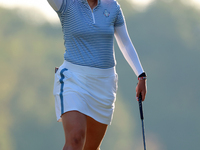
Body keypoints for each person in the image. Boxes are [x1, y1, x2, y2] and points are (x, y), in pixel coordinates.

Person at [47, 0, 147, 149]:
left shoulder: (112, 6)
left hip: (104, 84)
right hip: (73, 80)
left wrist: (141, 74)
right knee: (75, 138)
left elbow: (125, 43)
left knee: (91, 147)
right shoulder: (66, 4)